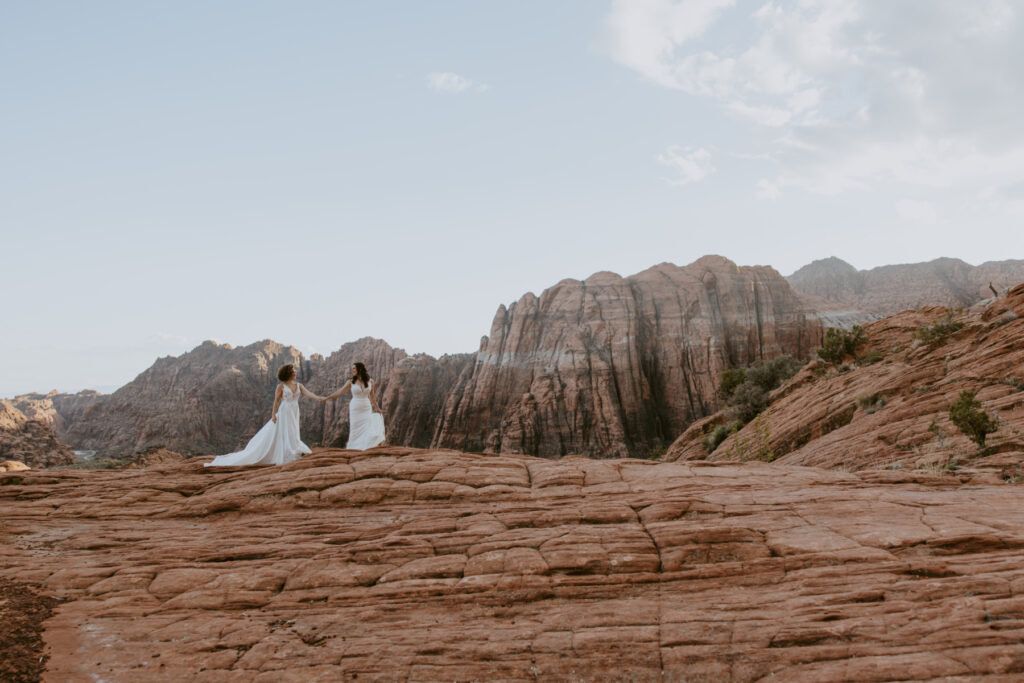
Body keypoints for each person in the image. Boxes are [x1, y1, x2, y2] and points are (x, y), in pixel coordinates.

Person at [204, 363, 325, 466]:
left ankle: (294, 448)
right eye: (293, 371)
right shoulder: (281, 387)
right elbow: (276, 401)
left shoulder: (299, 386)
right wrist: (273, 415)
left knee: (293, 430)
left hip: (294, 410)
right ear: (288, 373)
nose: (295, 373)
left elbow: (308, 393)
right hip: (284, 411)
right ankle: (288, 451)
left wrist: (318, 398)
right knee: (286, 430)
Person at [325, 362, 386, 449]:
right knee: (355, 428)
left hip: (366, 406)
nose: (352, 370)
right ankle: (355, 448)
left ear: (360, 369)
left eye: (354, 368)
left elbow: (372, 397)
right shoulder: (350, 382)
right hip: (355, 407)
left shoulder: (370, 381)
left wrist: (377, 408)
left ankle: (366, 447)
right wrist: (327, 397)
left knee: (367, 426)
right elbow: (340, 391)